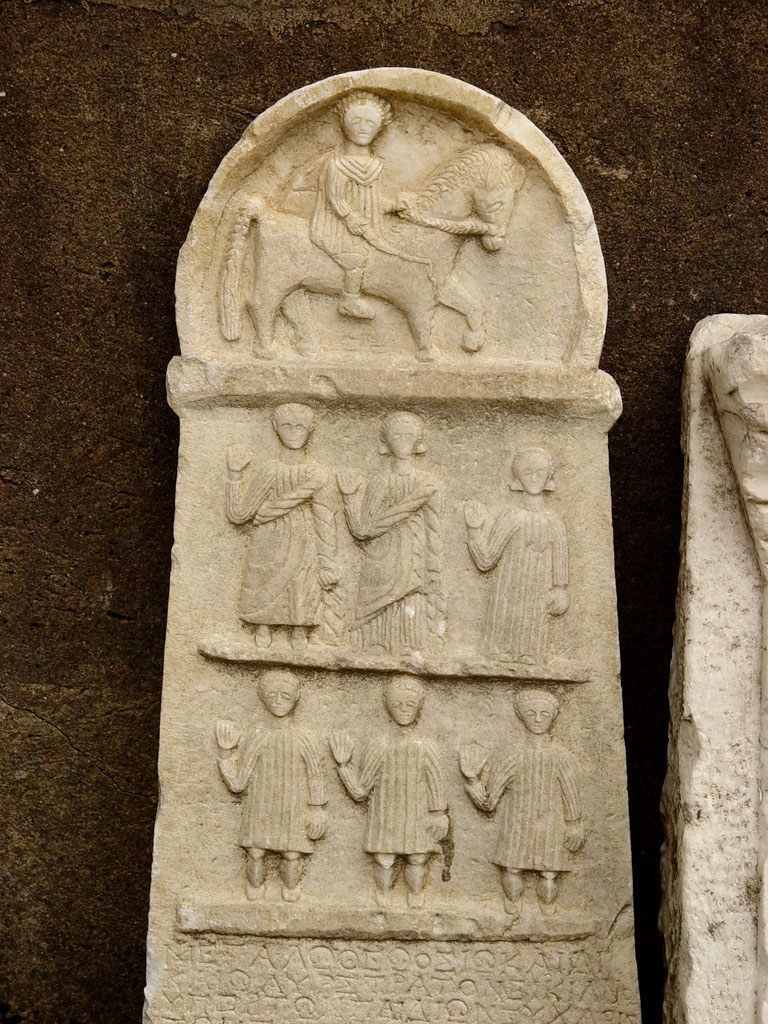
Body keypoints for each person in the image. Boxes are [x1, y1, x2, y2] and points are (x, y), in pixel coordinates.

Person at [459, 689, 584, 918]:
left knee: (549, 872)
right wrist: (472, 780)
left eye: (544, 714)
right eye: (531, 713)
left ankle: (547, 910)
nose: (538, 719)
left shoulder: (561, 757)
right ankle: (512, 906)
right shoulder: (511, 756)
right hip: (517, 824)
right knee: (512, 867)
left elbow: (571, 792)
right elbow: (489, 802)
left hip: (549, 826)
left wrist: (574, 823)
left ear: (553, 717)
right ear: (521, 716)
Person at [226, 403, 340, 649]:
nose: (293, 432)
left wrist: (328, 561)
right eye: (287, 426)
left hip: (302, 537)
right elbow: (239, 514)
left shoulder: (317, 473)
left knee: (301, 582)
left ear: (310, 430)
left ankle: (299, 631)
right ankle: (262, 628)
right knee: (264, 580)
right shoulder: (270, 469)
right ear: (276, 428)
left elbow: (324, 518)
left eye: (300, 427)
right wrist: (234, 475)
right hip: (268, 538)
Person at [330, 676, 448, 908]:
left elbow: (436, 783)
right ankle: (383, 895)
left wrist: (439, 814)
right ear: (388, 707)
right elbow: (361, 791)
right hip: (385, 814)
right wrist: (343, 766)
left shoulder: (427, 747)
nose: (403, 709)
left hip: (417, 814)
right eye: (397, 704)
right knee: (384, 858)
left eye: (410, 704)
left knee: (417, 857)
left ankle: (415, 894)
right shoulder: (378, 745)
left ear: (419, 707)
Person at [337, 411, 445, 653]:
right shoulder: (380, 481)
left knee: (411, 597)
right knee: (378, 606)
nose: (403, 442)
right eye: (397, 436)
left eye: (409, 436)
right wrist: (349, 498)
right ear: (386, 443)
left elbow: (434, 528)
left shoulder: (428, 483)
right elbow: (363, 529)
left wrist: (433, 567)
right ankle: (375, 645)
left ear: (418, 442)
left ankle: (411, 646)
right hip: (381, 555)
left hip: (413, 554)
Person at [215, 670, 327, 902]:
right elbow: (238, 783)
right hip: (260, 805)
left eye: (285, 695)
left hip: (293, 807)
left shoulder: (304, 738)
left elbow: (315, 776)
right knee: (256, 851)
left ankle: (291, 892)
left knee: (292, 853)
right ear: (262, 698)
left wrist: (317, 810)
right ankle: (255, 891)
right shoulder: (257, 736)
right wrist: (226, 753)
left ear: (296, 697)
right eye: (272, 695)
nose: (278, 701)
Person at [465, 447, 568, 664]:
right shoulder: (510, 517)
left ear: (548, 477)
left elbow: (560, 561)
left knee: (531, 649)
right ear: (517, 478)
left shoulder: (554, 521)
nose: (534, 478)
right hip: (508, 588)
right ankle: (500, 650)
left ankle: (529, 653)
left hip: (538, 590)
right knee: (501, 648)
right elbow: (486, 560)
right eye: (527, 472)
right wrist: (474, 531)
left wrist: (560, 589)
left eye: (540, 472)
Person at [310, 90, 399, 320]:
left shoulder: (376, 165)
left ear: (379, 128)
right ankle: (350, 300)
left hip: (369, 227)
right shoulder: (336, 164)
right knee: (355, 260)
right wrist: (349, 216)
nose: (362, 128)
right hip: (337, 226)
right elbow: (335, 197)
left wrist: (394, 205)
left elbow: (372, 201)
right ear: (343, 124)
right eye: (356, 121)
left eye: (370, 123)